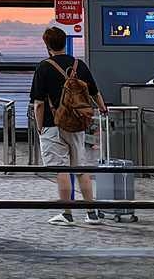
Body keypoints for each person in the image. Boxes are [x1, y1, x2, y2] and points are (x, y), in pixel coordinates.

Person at [30, 26, 108, 226]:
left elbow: (38, 103)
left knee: (61, 170)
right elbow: (94, 92)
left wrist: (40, 127)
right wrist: (102, 109)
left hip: (52, 124)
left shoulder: (44, 67)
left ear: (47, 45)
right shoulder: (78, 64)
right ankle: (91, 213)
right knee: (80, 168)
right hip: (76, 124)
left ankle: (67, 214)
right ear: (65, 42)